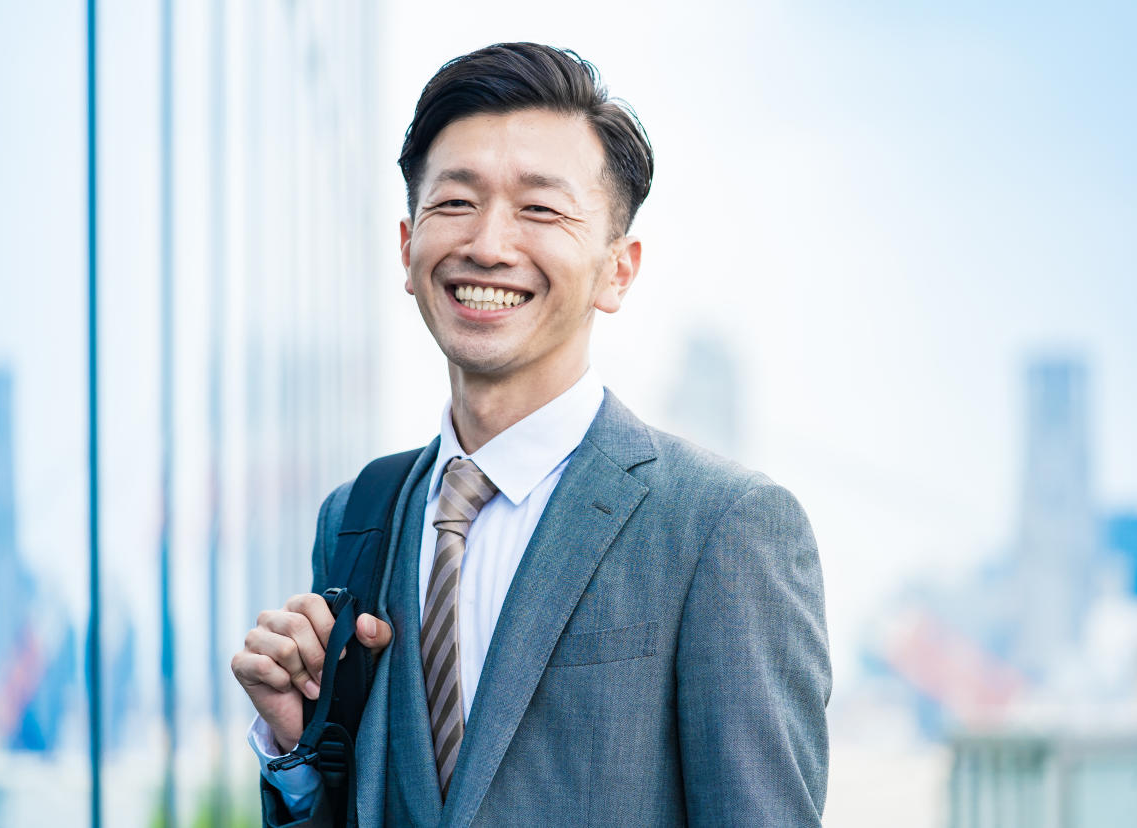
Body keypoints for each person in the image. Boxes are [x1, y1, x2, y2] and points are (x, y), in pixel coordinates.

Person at [231, 42, 831, 827]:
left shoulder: (724, 525)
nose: (487, 243)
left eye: (540, 209)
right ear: (407, 248)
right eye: (455, 202)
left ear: (618, 270)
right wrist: (296, 751)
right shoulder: (358, 514)